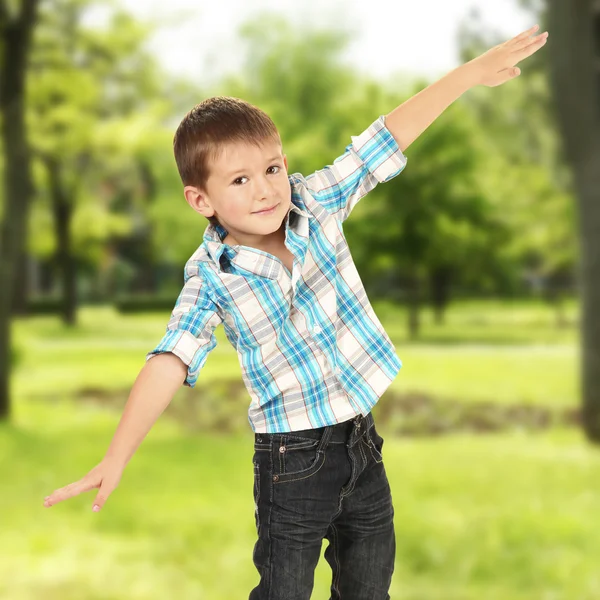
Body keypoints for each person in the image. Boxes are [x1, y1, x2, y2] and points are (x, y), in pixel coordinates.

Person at [42, 24, 548, 599]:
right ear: (201, 200)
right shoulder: (212, 277)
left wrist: (468, 76)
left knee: (369, 586)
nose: (266, 189)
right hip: (291, 464)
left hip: (362, 445)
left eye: (273, 168)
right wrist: (116, 455)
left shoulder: (317, 204)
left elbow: (383, 140)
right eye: (240, 179)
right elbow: (170, 360)